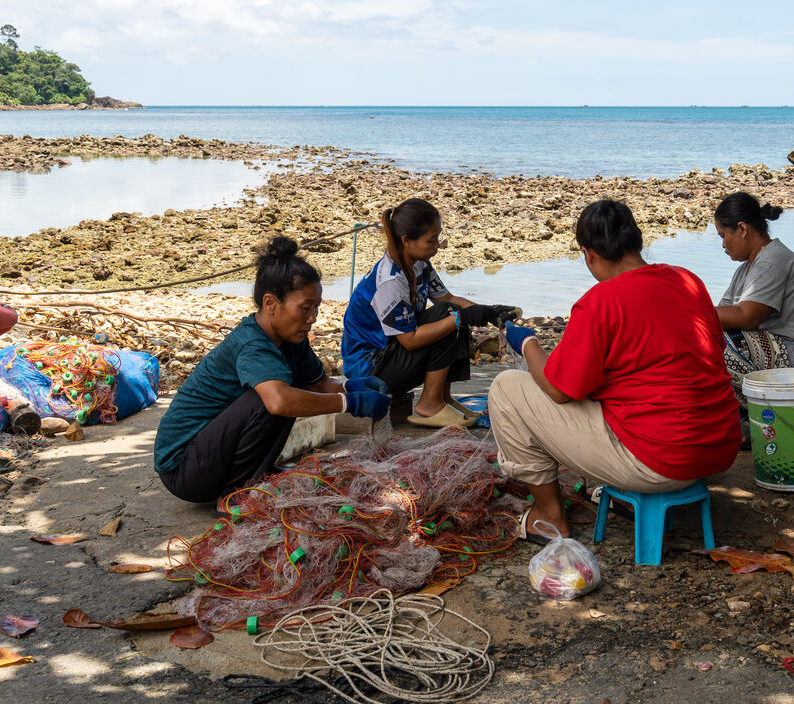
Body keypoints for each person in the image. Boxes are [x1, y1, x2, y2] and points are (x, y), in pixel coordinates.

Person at [488, 199, 740, 542]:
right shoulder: (687, 281)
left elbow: (558, 390)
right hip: (719, 446)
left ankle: (549, 517)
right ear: (637, 241)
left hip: (660, 459)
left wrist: (528, 342)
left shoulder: (600, 301)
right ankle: (627, 495)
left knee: (506, 387)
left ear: (589, 254)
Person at [154, 237, 389, 504]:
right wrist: (348, 403)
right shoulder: (253, 343)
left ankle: (255, 476)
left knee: (290, 390)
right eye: (305, 308)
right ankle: (235, 494)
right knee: (275, 398)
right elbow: (278, 401)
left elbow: (318, 383)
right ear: (270, 304)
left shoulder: (292, 339)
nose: (313, 318)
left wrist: (351, 386)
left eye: (316, 308)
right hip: (185, 469)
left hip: (209, 456)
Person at [341, 198, 515, 428]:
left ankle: (442, 398)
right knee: (450, 316)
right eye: (432, 240)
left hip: (392, 352)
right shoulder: (391, 281)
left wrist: (488, 312)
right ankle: (429, 404)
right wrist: (462, 318)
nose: (437, 245)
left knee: (452, 312)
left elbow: (448, 298)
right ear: (406, 240)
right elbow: (410, 340)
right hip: (371, 370)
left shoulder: (418, 263)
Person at [713, 192, 794, 399]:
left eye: (723, 236)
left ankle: (756, 405)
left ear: (742, 229)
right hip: (785, 348)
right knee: (709, 340)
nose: (723, 245)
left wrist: (693, 311)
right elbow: (721, 315)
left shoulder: (773, 260)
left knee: (726, 349)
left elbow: (748, 317)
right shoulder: (745, 270)